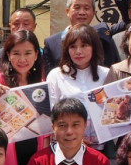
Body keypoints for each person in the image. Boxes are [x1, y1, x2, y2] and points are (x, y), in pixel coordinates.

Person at [0, 29, 46, 165]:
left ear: (36, 55)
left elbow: (46, 129)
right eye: (16, 53)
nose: (22, 59)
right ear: (8, 55)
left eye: (28, 53)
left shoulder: (40, 85)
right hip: (4, 157)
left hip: (35, 154)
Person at [46, 24, 109, 152]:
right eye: (73, 46)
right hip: (65, 147)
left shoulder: (107, 74)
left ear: (94, 47)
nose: (78, 51)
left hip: (100, 148)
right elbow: (51, 113)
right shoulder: (56, 75)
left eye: (84, 45)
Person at [43, 0, 123, 70]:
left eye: (87, 8)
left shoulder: (103, 34)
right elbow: (49, 78)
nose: (81, 12)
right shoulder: (51, 43)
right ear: (67, 11)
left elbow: (129, 19)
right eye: (77, 8)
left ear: (93, 13)